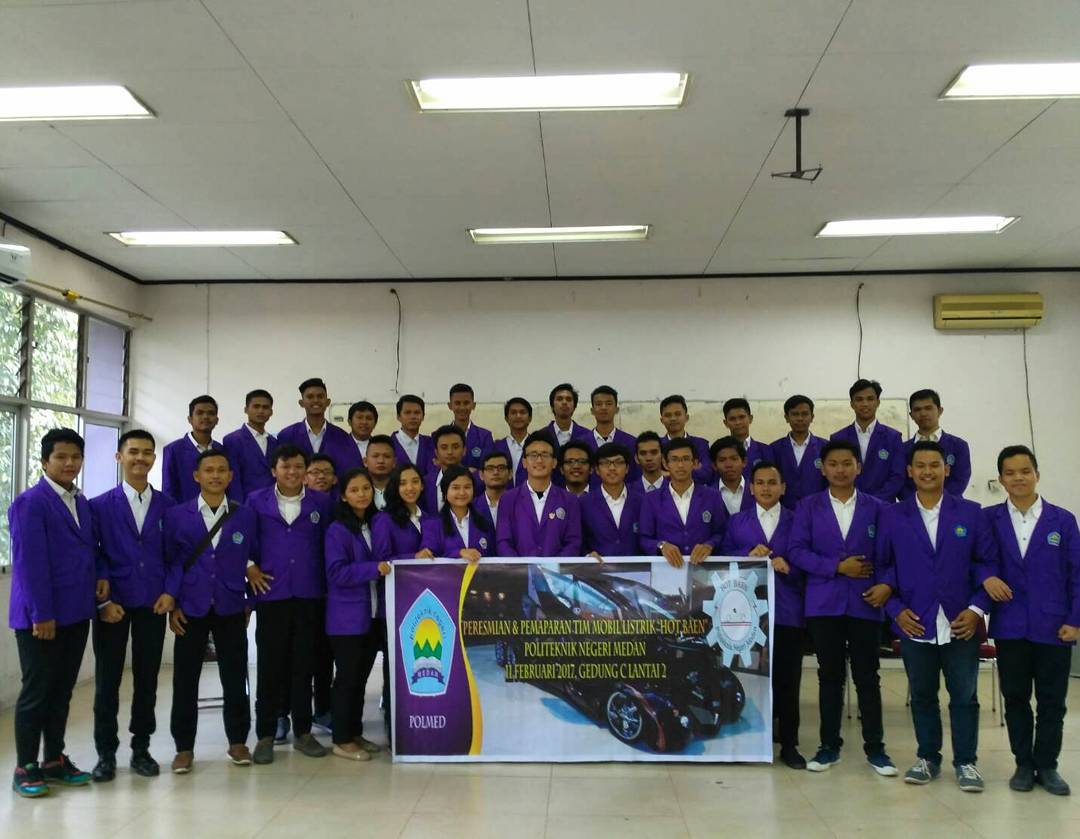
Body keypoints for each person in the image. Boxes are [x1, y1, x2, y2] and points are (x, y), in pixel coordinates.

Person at [876, 441, 1005, 791]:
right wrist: (896, 611)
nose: (927, 471)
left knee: (964, 697)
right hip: (914, 621)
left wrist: (976, 610)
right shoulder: (892, 516)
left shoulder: (972, 513)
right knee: (922, 695)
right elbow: (883, 568)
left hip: (961, 622)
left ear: (946, 469)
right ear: (909, 471)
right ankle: (928, 758)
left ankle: (966, 762)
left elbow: (988, 564)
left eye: (934, 465)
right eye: (920, 465)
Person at [789, 440, 895, 776]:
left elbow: (892, 555)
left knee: (868, 677)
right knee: (829, 676)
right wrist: (836, 567)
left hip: (866, 601)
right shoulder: (808, 506)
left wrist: (886, 585)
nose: (840, 469)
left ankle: (876, 750)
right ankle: (828, 747)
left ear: (858, 467)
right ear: (823, 469)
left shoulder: (879, 508)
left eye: (847, 463)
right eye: (833, 464)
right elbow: (796, 551)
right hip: (824, 604)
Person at [984, 445, 1080, 796]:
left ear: (1037, 474)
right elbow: (976, 559)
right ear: (1001, 479)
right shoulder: (989, 519)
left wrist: (1076, 619)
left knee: (1052, 701)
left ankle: (1048, 765)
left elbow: (1077, 574)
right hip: (1010, 624)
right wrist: (986, 577)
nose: (1018, 478)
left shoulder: (1063, 520)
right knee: (1016, 698)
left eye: (1025, 471)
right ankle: (1024, 763)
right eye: (1010, 473)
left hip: (1054, 625)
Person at [9, 429, 98, 797]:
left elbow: (87, 552)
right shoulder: (31, 503)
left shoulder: (80, 501)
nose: (69, 463)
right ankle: (25, 766)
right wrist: (42, 614)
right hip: (41, 618)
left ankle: (54, 760)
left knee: (61, 691)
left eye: (75, 457)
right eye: (61, 457)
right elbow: (29, 564)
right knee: (37, 691)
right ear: (45, 461)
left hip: (76, 613)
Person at [88, 430, 176, 783]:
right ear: (119, 457)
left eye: (147, 453)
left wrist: (171, 592)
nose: (141, 458)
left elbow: (177, 555)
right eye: (133, 451)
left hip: (153, 602)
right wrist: (104, 599)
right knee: (107, 681)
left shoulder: (168, 506)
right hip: (114, 604)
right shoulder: (98, 505)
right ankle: (106, 754)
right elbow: (92, 552)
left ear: (154, 458)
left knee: (147, 679)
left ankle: (142, 749)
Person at [164, 449, 258, 774]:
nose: (215, 475)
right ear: (197, 476)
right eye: (209, 470)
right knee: (185, 680)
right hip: (190, 606)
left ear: (230, 476)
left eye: (221, 470)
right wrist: (174, 604)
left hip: (231, 604)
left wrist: (250, 601)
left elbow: (256, 559)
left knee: (235, 677)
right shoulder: (177, 515)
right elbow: (173, 562)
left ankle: (238, 741)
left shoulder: (245, 515)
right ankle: (184, 748)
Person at [246, 445, 333, 764]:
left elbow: (329, 543)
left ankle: (304, 732)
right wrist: (249, 567)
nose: (293, 472)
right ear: (274, 471)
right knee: (270, 666)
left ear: (306, 471)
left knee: (303, 665)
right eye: (286, 466)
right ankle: (266, 734)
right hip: (272, 593)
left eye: (298, 466)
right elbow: (243, 539)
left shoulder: (321, 502)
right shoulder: (256, 501)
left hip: (310, 594)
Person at [721, 461, 805, 769]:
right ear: (752, 488)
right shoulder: (737, 522)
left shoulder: (798, 520)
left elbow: (808, 563)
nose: (766, 488)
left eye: (772, 482)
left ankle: (790, 743)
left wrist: (789, 567)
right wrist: (746, 556)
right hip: (746, 614)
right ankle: (752, 738)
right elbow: (723, 559)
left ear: (783, 487)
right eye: (760, 482)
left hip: (787, 611)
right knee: (746, 676)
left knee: (788, 679)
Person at [324, 468, 390, 760]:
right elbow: (336, 572)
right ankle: (341, 739)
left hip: (373, 615)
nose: (362, 494)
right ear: (343, 496)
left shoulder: (375, 523)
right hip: (347, 619)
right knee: (347, 679)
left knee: (361, 679)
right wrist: (374, 568)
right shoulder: (337, 530)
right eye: (354, 490)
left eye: (366, 489)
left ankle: (354, 732)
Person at [368, 464, 431, 738]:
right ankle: (396, 729)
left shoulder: (428, 517)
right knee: (396, 667)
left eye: (415, 481)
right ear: (395, 487)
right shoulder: (384, 519)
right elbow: (381, 559)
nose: (410, 487)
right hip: (396, 603)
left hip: (426, 604)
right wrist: (412, 558)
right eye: (403, 483)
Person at [638, 437, 726, 569]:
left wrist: (709, 545)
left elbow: (721, 533)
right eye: (674, 459)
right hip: (666, 569)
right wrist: (661, 546)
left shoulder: (712, 496)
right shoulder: (651, 499)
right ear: (665, 463)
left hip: (703, 569)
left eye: (685, 459)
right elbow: (644, 539)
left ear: (695, 463)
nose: (680, 465)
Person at [495, 431, 582, 557]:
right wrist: (522, 567)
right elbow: (503, 543)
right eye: (533, 455)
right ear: (524, 462)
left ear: (554, 462)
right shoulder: (508, 499)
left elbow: (573, 542)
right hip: (519, 569)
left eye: (545, 455)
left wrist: (552, 566)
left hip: (557, 569)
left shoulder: (569, 500)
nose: (539, 460)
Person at [829, 379, 904, 502]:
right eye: (859, 399)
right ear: (852, 404)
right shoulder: (838, 438)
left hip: (883, 506)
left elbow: (897, 477)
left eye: (870, 399)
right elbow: (835, 475)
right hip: (848, 505)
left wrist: (874, 502)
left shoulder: (893, 437)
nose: (865, 404)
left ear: (878, 402)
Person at [898, 389, 972, 500]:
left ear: (940, 411)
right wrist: (918, 503)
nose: (923, 413)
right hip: (912, 508)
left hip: (950, 507)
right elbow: (900, 483)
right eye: (917, 409)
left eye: (928, 408)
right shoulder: (902, 449)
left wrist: (937, 503)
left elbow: (960, 480)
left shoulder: (959, 446)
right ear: (911, 415)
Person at [277, 378, 360, 472]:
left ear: (328, 402)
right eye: (310, 397)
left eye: (320, 396)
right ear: (301, 403)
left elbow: (347, 470)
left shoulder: (342, 437)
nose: (316, 400)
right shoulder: (286, 436)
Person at [581, 443, 642, 559]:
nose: (612, 468)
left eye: (618, 462)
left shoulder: (642, 501)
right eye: (605, 463)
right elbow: (579, 539)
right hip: (597, 568)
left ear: (627, 468)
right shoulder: (584, 503)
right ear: (597, 470)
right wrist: (587, 555)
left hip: (637, 569)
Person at [420, 465, 495, 560]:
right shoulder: (432, 525)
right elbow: (427, 558)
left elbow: (494, 559)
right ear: (445, 492)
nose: (462, 493)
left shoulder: (485, 523)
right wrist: (459, 553)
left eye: (467, 487)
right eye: (455, 488)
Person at [162, 395, 228, 502]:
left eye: (211, 413)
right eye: (200, 413)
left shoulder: (222, 450)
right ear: (190, 419)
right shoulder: (173, 450)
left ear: (217, 420)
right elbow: (168, 491)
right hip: (184, 510)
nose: (205, 417)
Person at [222, 389, 276, 500]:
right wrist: (238, 506)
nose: (261, 411)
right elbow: (233, 479)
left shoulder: (274, 442)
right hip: (246, 503)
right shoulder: (232, 440)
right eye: (256, 406)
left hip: (272, 503)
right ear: (246, 410)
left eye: (265, 407)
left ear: (271, 412)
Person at [420, 424, 483, 514]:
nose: (450, 452)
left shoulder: (478, 482)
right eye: (444, 448)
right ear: (436, 452)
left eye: (455, 447)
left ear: (464, 450)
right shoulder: (426, 483)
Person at [589, 386, 640, 482]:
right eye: (599, 404)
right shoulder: (581, 443)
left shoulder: (631, 443)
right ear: (592, 410)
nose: (604, 407)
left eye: (608, 403)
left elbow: (635, 476)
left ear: (617, 409)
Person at [658, 394, 712, 485]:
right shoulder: (656, 446)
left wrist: (667, 473)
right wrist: (691, 469)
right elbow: (652, 478)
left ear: (686, 417)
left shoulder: (700, 444)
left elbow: (706, 474)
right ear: (662, 420)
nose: (673, 418)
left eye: (677, 414)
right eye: (668, 415)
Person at [722, 398, 771, 479]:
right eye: (732, 419)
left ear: (750, 418)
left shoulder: (766, 450)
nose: (738, 422)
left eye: (742, 417)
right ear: (725, 423)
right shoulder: (720, 452)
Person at [448, 383, 495, 469]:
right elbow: (436, 466)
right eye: (457, 403)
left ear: (473, 405)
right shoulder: (438, 436)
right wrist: (469, 470)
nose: (462, 408)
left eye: (466, 403)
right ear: (450, 405)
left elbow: (488, 468)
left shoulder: (485, 436)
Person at [491, 396, 532, 487]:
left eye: (522, 412)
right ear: (506, 418)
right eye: (513, 412)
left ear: (530, 418)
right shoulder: (496, 447)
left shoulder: (537, 446)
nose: (518, 416)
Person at [390, 394, 434, 476]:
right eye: (407, 413)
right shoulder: (389, 444)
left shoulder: (431, 443)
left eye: (417, 413)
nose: (413, 417)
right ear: (398, 416)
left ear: (423, 416)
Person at [710, 436, 755, 516]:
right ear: (714, 465)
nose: (729, 465)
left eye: (734, 459)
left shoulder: (757, 490)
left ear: (744, 462)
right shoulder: (707, 495)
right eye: (722, 460)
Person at [546, 383, 593, 449]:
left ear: (574, 406)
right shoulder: (541, 436)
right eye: (559, 399)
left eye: (568, 399)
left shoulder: (588, 435)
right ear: (552, 406)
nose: (564, 402)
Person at [475, 450, 511, 529]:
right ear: (481, 475)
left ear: (510, 473)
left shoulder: (520, 504)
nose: (496, 472)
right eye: (490, 468)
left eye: (501, 468)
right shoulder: (472, 507)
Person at [364, 435, 396, 510]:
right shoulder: (358, 492)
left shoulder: (402, 490)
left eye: (387, 456)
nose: (381, 461)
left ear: (394, 462)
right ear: (365, 461)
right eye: (375, 456)